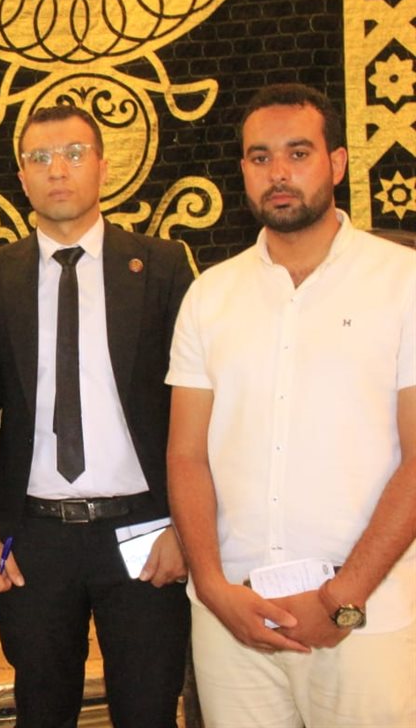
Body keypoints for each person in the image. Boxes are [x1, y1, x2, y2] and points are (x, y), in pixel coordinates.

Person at [166, 83, 416, 726]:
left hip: (366, 616)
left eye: (297, 153)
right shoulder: (209, 295)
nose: (278, 172)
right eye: (260, 157)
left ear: (336, 163)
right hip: (234, 616)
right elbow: (187, 456)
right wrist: (213, 588)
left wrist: (344, 597)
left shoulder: (403, 281)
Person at [0, 105, 193, 727]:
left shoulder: (162, 264)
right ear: (21, 176)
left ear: (102, 167)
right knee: (42, 711)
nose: (56, 170)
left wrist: (187, 527)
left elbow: (195, 407)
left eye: (72, 154)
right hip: (34, 537)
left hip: (146, 529)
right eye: (39, 158)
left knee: (148, 711)